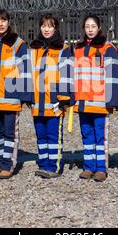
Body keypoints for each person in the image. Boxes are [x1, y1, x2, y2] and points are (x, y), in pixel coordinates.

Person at [0, 9, 33, 179]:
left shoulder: (18, 44)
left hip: (11, 97)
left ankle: (8, 164)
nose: (0, 24)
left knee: (9, 133)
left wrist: (25, 96)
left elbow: (25, 71)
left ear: (8, 22)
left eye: (3, 20)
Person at [73, 14, 118, 182]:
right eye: (87, 27)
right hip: (83, 102)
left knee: (100, 137)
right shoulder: (78, 48)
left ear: (99, 27)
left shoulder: (108, 48)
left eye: (93, 26)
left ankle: (101, 168)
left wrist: (112, 100)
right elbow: (73, 75)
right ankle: (88, 166)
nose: (90, 29)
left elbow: (113, 77)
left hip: (100, 103)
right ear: (84, 29)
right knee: (86, 135)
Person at [29, 14, 74, 179]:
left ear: (55, 29)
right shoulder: (34, 49)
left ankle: (53, 167)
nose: (46, 29)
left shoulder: (63, 48)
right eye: (43, 26)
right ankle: (43, 164)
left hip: (54, 102)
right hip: (38, 102)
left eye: (50, 26)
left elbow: (66, 73)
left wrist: (63, 98)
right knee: (40, 134)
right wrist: (28, 96)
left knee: (53, 135)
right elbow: (28, 73)